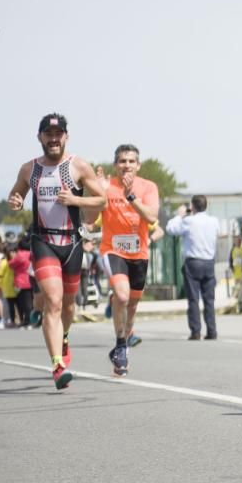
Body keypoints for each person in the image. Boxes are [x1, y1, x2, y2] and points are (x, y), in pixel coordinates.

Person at [7, 113, 107, 389]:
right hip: (43, 241)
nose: (53, 139)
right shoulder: (29, 169)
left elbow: (103, 200)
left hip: (72, 243)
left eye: (58, 134)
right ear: (39, 137)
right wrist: (14, 201)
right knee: (52, 299)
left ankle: (63, 337)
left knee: (68, 305)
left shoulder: (78, 166)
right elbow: (15, 196)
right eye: (48, 134)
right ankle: (56, 365)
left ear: (66, 136)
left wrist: (75, 198)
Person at [98, 144, 160, 376]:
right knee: (122, 296)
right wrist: (96, 191)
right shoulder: (106, 186)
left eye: (131, 161)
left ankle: (124, 339)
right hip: (113, 250)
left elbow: (152, 216)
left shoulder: (148, 187)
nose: (126, 166)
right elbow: (91, 215)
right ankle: (122, 345)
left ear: (138, 165)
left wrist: (131, 197)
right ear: (115, 165)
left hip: (139, 253)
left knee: (132, 304)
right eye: (122, 161)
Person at [166, 195, 220, 340]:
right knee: (209, 299)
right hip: (209, 262)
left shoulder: (188, 221)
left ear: (193, 206)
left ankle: (196, 331)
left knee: (193, 299)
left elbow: (170, 229)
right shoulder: (214, 221)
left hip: (193, 261)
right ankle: (212, 330)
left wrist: (180, 215)